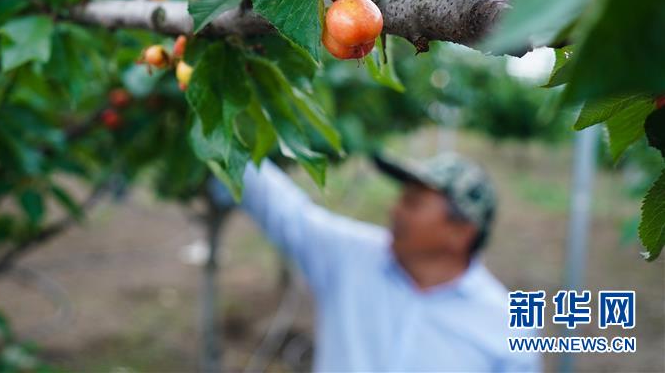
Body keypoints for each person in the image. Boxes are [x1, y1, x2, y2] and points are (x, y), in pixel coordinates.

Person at [219, 152, 541, 372]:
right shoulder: (350, 256)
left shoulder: (505, 324)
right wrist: (219, 140)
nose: (394, 209)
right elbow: (283, 210)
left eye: (412, 203)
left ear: (459, 233)